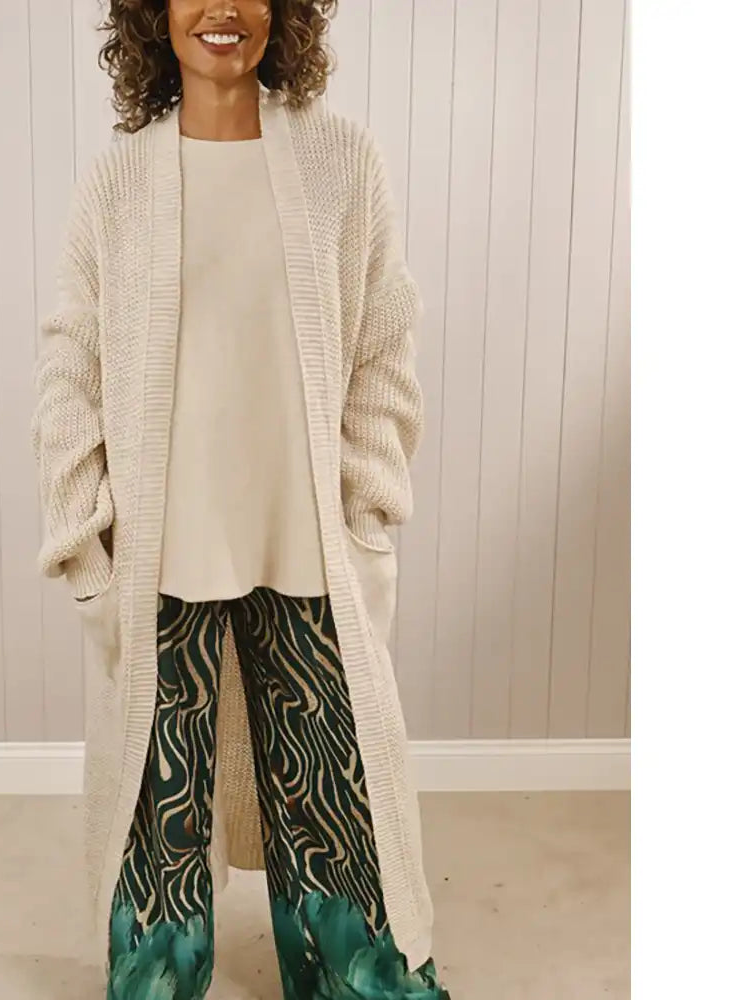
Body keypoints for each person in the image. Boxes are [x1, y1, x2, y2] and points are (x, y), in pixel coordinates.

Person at [30, 1, 451, 997]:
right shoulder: (119, 183)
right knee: (157, 799)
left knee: (336, 783)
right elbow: (70, 364)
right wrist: (85, 539)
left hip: (306, 541)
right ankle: (158, 972)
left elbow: (384, 346)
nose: (221, 8)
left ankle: (356, 971)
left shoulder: (342, 164)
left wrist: (366, 511)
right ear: (154, 15)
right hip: (160, 551)